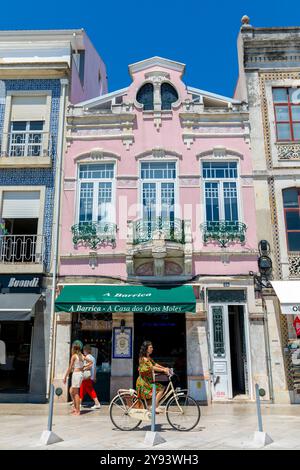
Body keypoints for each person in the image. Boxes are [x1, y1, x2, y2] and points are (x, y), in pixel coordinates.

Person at [136, 341, 170, 413]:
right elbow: (152, 368)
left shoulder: (148, 358)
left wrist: (165, 368)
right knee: (161, 388)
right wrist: (163, 370)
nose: (152, 349)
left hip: (147, 381)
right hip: (144, 383)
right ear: (146, 349)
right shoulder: (144, 359)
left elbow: (155, 364)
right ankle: (155, 407)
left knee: (155, 394)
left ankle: (152, 407)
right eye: (150, 347)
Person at [63, 343, 91, 416]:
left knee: (76, 393)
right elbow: (91, 362)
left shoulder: (74, 356)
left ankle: (78, 411)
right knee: (72, 390)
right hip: (80, 374)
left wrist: (65, 377)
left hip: (76, 374)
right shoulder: (81, 356)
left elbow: (70, 368)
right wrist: (84, 367)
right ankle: (76, 408)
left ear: (74, 349)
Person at [79, 344, 101, 410]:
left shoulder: (87, 357)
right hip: (90, 376)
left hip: (86, 376)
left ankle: (97, 403)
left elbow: (89, 366)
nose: (83, 351)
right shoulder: (93, 357)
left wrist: (82, 368)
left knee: (90, 390)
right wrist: (94, 377)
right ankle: (79, 403)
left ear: (86, 350)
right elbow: (94, 368)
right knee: (83, 389)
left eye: (84, 350)